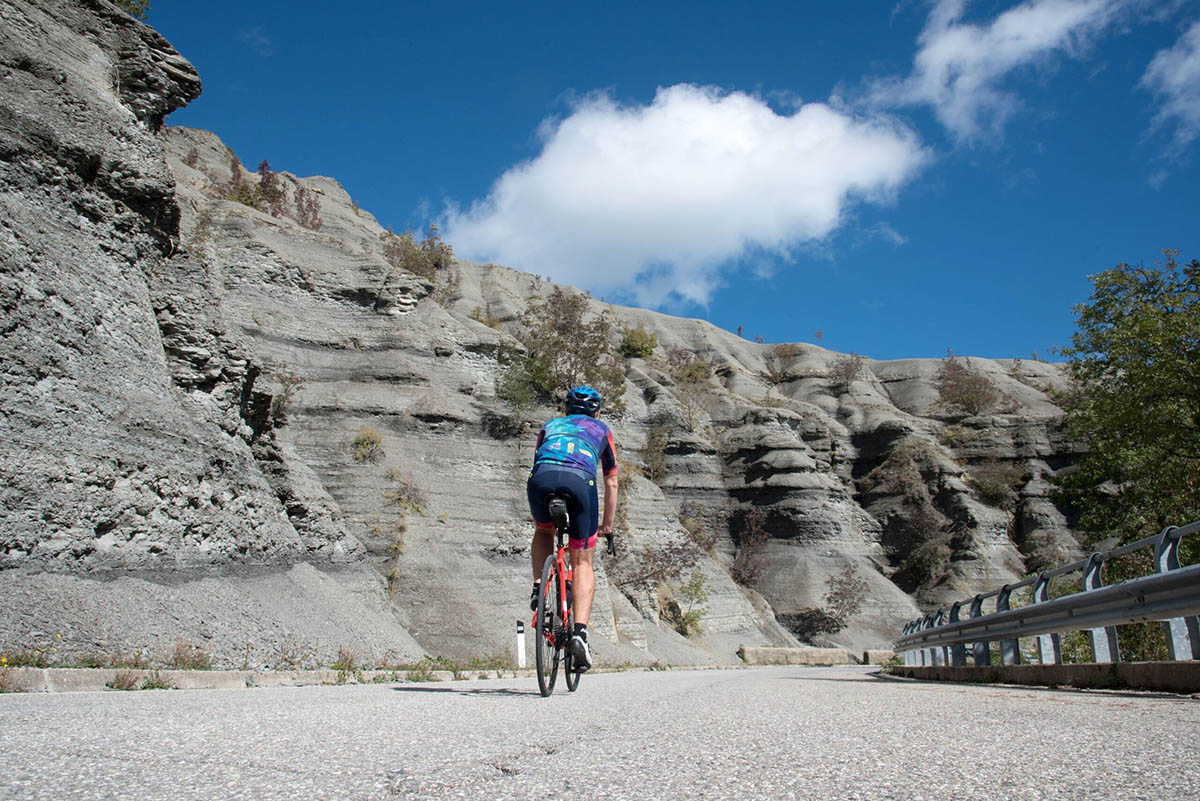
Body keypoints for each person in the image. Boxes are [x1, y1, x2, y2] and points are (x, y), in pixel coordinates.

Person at [526, 385, 618, 671]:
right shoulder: (602, 430)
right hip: (580, 483)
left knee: (543, 532)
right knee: (582, 561)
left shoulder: (550, 425)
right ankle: (579, 633)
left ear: (566, 409)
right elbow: (611, 481)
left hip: (542, 479)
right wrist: (607, 526)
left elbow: (539, 460)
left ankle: (538, 589)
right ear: (596, 411)